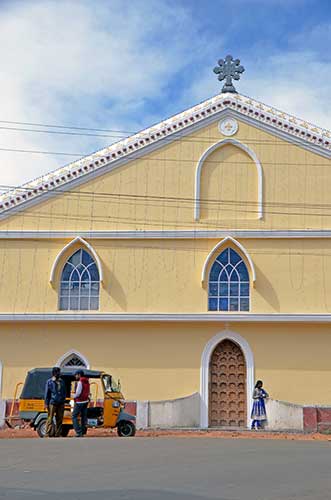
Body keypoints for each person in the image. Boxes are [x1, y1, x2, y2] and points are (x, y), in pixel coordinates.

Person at [44, 367, 66, 437]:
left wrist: (63, 399)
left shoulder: (62, 381)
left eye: (58, 372)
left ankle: (57, 433)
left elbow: (64, 392)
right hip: (52, 402)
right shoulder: (49, 381)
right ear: (53, 373)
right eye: (56, 372)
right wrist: (46, 403)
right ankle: (47, 433)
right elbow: (47, 393)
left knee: (59, 419)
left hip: (61, 403)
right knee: (50, 418)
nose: (58, 374)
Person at [72, 369, 90, 437]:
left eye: (76, 375)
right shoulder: (87, 381)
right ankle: (83, 431)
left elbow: (78, 393)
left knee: (74, 416)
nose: (75, 376)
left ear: (79, 375)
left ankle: (78, 432)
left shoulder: (80, 382)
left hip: (79, 401)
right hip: (85, 401)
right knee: (83, 417)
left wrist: (73, 396)